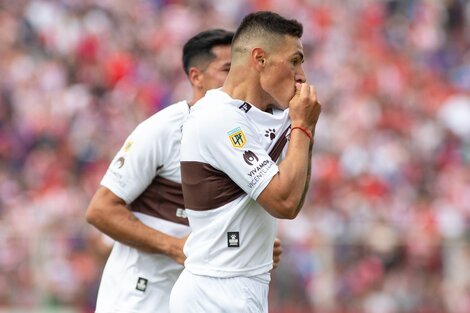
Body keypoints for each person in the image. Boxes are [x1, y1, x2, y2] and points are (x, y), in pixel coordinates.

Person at [85, 29, 282, 313]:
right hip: (139, 296)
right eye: (226, 69)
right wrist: (174, 246)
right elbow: (100, 210)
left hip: (193, 298)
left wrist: (255, 245)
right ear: (196, 77)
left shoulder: (244, 133)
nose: (237, 77)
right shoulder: (162, 129)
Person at [171, 11, 321, 313]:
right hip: (214, 293)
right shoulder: (219, 116)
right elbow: (285, 201)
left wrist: (257, 243)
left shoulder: (258, 118)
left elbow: (288, 199)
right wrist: (303, 128)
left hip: (240, 287)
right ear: (259, 59)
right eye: (294, 60)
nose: (302, 74)